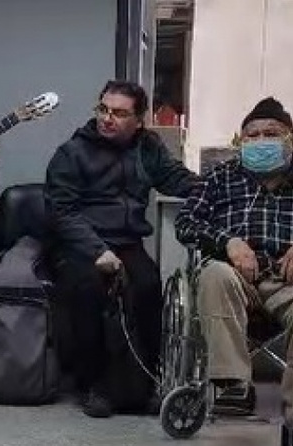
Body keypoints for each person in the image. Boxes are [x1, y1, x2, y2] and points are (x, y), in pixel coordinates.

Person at [44, 79, 199, 418]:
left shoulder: (148, 147)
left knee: (147, 285)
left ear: (138, 121)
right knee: (89, 289)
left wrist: (218, 188)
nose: (107, 118)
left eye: (118, 113)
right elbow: (61, 212)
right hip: (81, 244)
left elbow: (177, 180)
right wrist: (97, 250)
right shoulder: (72, 153)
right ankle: (93, 385)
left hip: (127, 241)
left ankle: (144, 384)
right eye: (103, 109)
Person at [175, 97, 293, 418]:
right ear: (240, 142)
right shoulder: (220, 177)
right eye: (251, 135)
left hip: (287, 281)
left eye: (271, 133)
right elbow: (185, 223)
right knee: (213, 274)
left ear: (289, 139)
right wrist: (227, 242)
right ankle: (232, 385)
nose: (260, 141)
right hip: (235, 279)